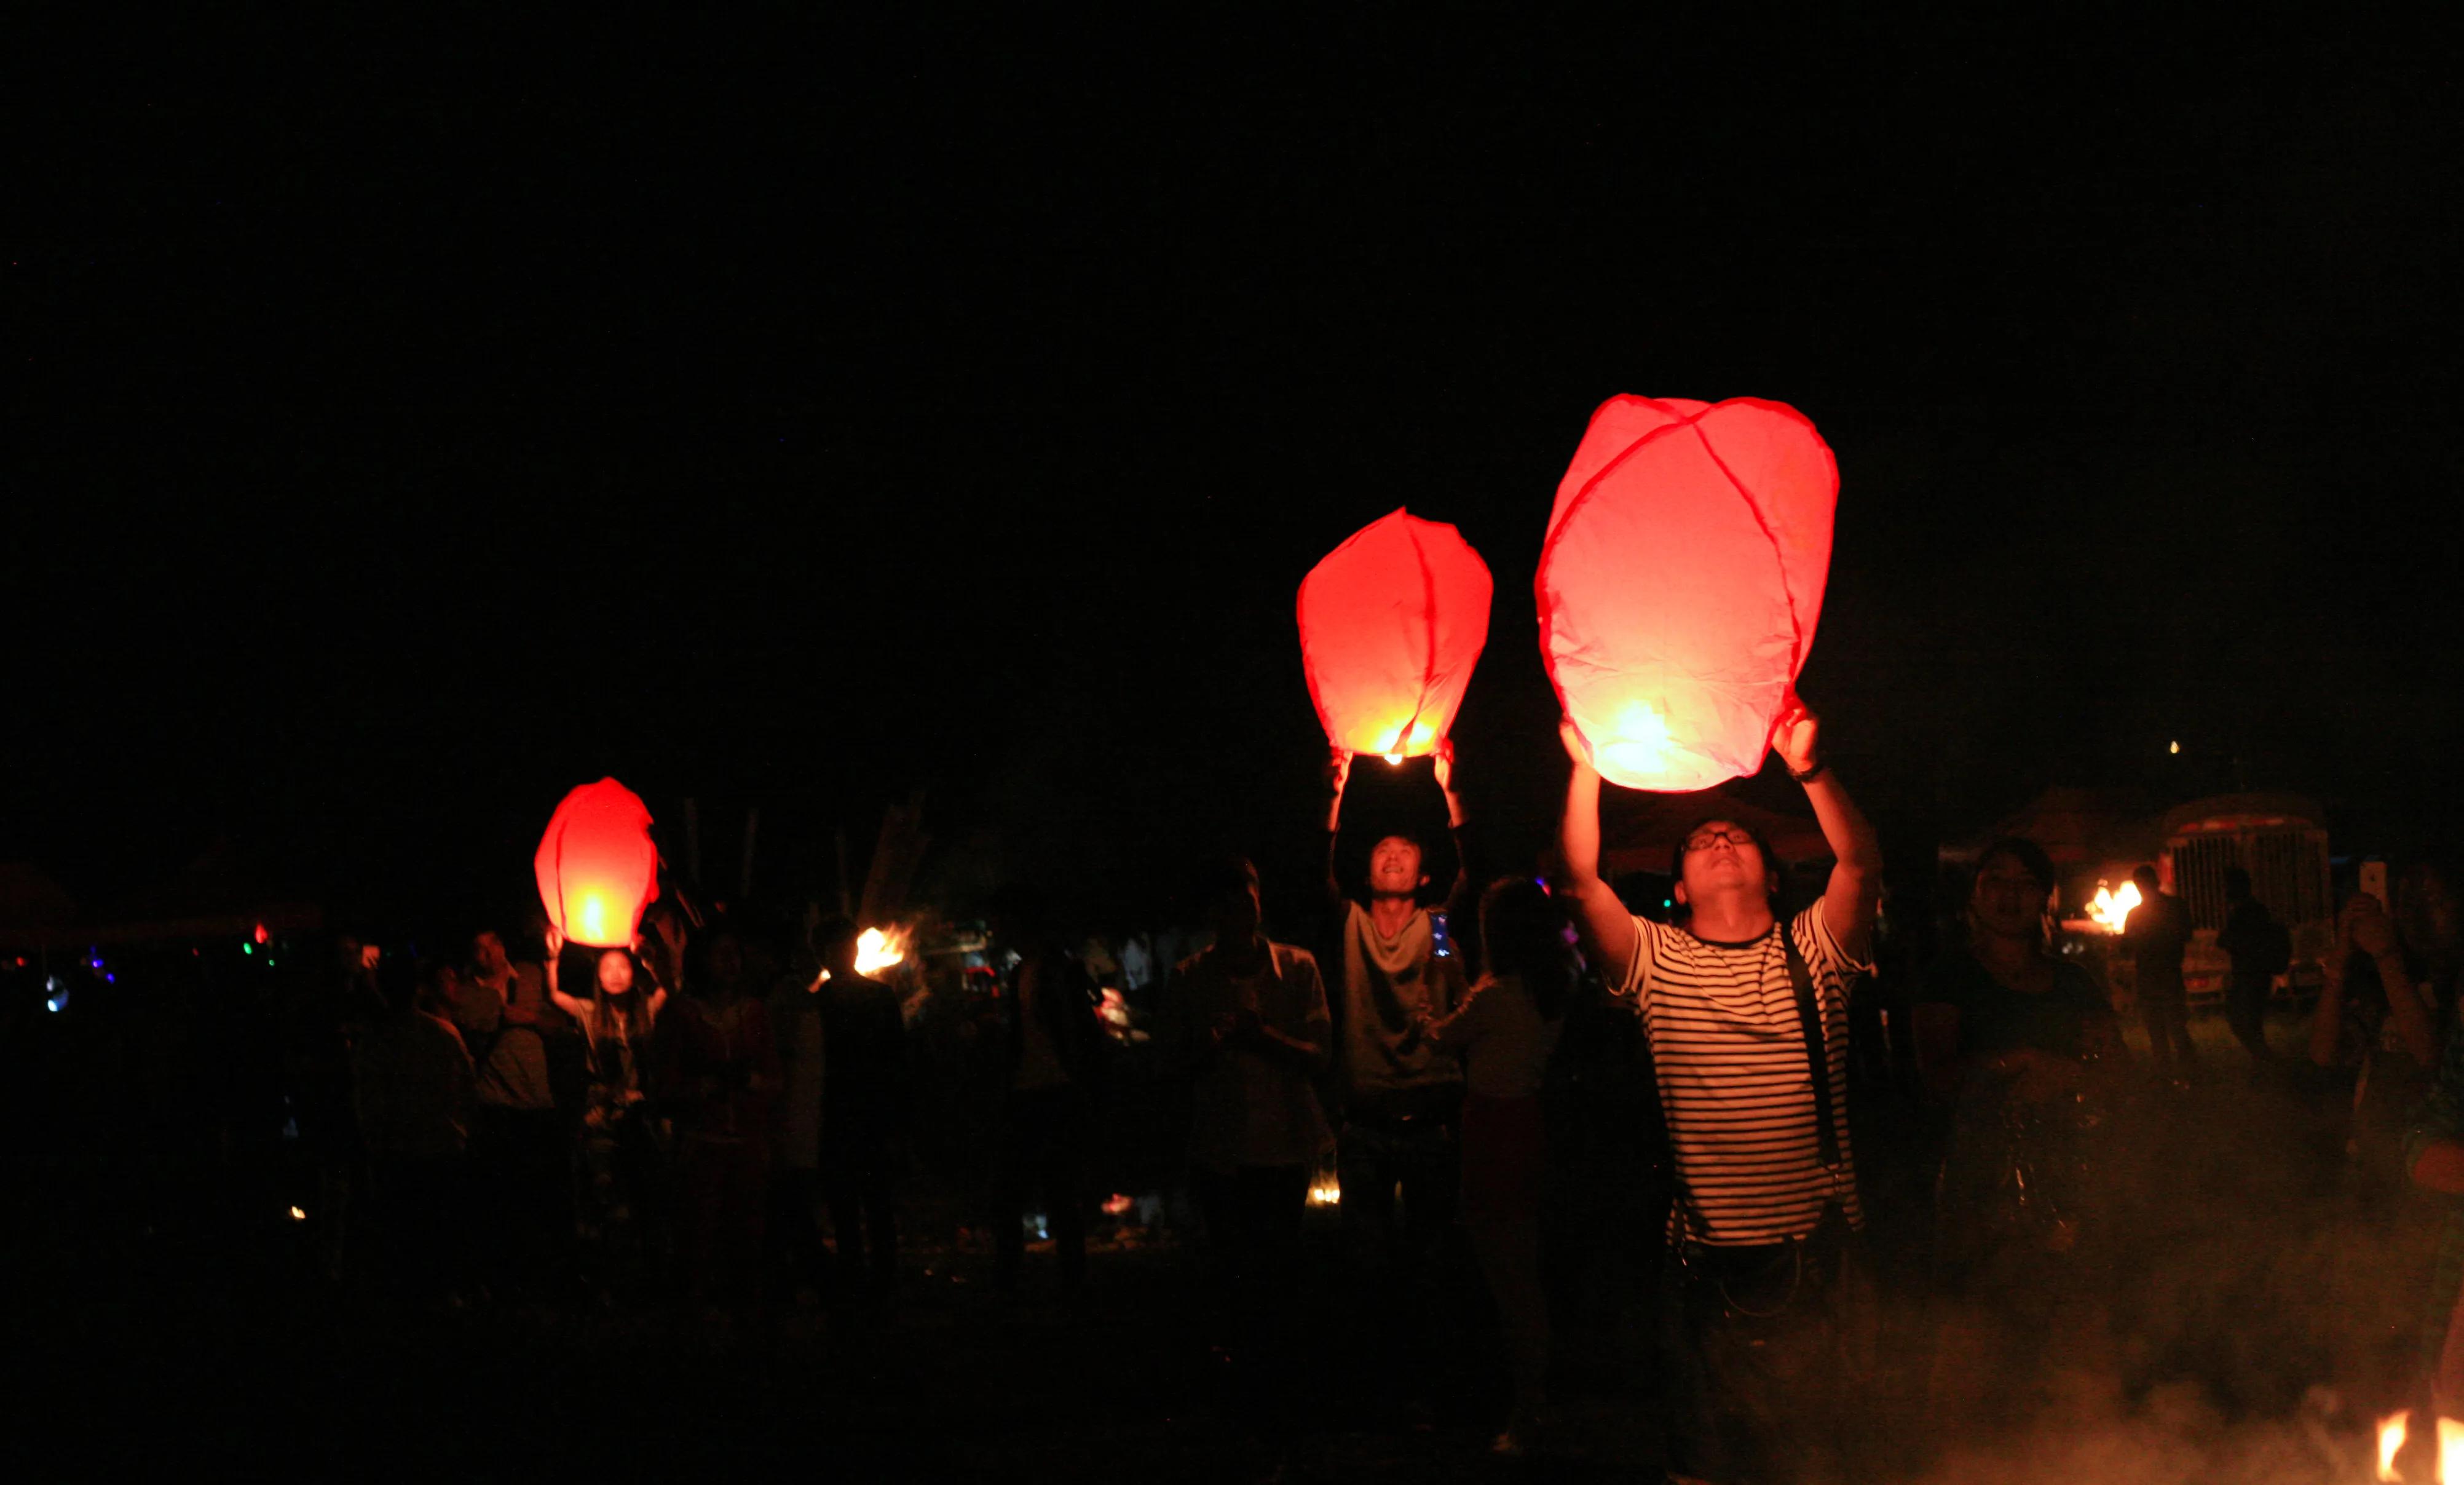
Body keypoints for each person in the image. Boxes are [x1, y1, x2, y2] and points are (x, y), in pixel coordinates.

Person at [1556, 695, 1882, 1485]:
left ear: (1772, 873)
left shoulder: (1816, 946)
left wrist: (1807, 765)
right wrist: (1587, 767)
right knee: (1704, 1462)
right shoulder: (1655, 959)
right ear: (1679, 884)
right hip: (1703, 1261)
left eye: (1736, 835)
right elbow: (1578, 879)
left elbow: (1861, 863)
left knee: (1820, 1458)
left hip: (1817, 1250)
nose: (1721, 839)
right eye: (1701, 841)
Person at [1911, 838, 2124, 1434]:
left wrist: (2068, 1074)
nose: (2010, 895)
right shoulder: (1950, 976)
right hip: (1981, 1188)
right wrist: (2015, 1063)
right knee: (1975, 1340)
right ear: (1975, 896)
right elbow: (1936, 1078)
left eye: (2024, 883)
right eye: (1995, 881)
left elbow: (2117, 1071)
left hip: (2069, 1181)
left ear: (2044, 897)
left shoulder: (2074, 982)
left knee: (2076, 1338)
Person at [1166, 856, 1333, 1454]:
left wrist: (1261, 1037)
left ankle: (1279, 1396)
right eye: (1230, 901)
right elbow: (1174, 1065)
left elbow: (1320, 1054)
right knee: (1235, 1273)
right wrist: (1213, 1045)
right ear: (1214, 913)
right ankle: (1246, 1397)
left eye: (1249, 897)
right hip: (1221, 1148)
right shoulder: (1190, 977)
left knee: (1280, 1270)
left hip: (1284, 1144)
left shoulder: (1297, 966)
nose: (1242, 909)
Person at [1322, 743, 1472, 1409]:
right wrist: (1336, 788)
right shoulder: (1351, 923)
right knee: (1367, 1263)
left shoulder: (1436, 928)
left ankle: (1433, 1383)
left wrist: (1449, 787)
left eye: (1405, 852)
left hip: (1429, 1120)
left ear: (1421, 874)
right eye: (1382, 850)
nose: (1391, 856)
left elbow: (1468, 881)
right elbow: (1316, 869)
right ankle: (1375, 1385)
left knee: (1433, 1260)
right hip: (1365, 1125)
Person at [1415, 876, 1569, 1456]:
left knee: (1510, 1283)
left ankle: (1528, 1411)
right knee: (1523, 1274)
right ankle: (1535, 1403)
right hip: (1525, 1124)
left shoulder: (1496, 995)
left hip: (1491, 1131)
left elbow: (1439, 1037)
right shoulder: (1544, 988)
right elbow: (1484, 1012)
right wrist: (1461, 979)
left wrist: (1433, 990)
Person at [987, 900, 1109, 1298]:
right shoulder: (1023, 970)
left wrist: (1081, 1085)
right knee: (1024, 1191)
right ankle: (1024, 1281)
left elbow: (1079, 1033)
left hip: (1056, 1090)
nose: (998, 933)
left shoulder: (1056, 969)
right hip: (1031, 1090)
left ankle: (1060, 1282)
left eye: (1003, 925)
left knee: (1055, 1191)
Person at [659, 925, 781, 1308]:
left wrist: (751, 1080)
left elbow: (776, 1077)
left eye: (735, 954)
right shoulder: (681, 1015)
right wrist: (706, 1087)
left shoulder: (755, 1012)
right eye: (720, 954)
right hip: (702, 1145)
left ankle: (748, 1324)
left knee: (748, 1238)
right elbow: (663, 1085)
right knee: (698, 1239)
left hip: (748, 1144)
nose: (730, 962)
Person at [352, 957, 478, 1302]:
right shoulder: (442, 1032)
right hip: (441, 1144)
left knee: (403, 1230)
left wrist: (373, 1143)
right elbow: (469, 1088)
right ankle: (445, 1294)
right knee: (441, 1227)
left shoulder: (374, 1040)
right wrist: (462, 1130)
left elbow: (366, 1099)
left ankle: (408, 1298)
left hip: (397, 1150)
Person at [452, 929, 569, 1300]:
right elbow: (474, 1023)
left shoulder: (530, 977)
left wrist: (527, 1017)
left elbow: (559, 1027)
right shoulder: (466, 989)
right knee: (498, 1197)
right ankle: (499, 1279)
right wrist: (504, 1014)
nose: (487, 952)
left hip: (536, 1102)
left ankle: (534, 1279)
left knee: (535, 1196)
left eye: (492, 944)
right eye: (479, 947)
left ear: (503, 946)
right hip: (495, 1104)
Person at [545, 930, 668, 1283]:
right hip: (603, 1112)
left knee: (646, 1188)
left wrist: (649, 960)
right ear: (597, 977)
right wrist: (554, 956)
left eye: (623, 967)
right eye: (607, 967)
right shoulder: (588, 1012)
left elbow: (668, 991)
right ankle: (607, 1274)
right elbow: (554, 995)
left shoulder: (646, 1009)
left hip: (644, 1111)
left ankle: (648, 1272)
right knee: (605, 1190)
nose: (615, 973)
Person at [813, 916, 909, 1294]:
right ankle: (873, 1279)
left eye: (846, 946)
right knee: (860, 1204)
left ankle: (869, 1280)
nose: (844, 954)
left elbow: (897, 1060)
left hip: (857, 1115)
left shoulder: (830, 1001)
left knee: (862, 1204)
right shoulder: (833, 1001)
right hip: (853, 1115)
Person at [2122, 864, 2194, 1081]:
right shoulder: (2176, 907)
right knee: (2176, 1026)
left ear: (2139, 887)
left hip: (2149, 976)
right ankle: (2190, 1073)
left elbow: (2125, 949)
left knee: (2157, 1030)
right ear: (2157, 882)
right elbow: (2187, 934)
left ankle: (2167, 1074)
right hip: (2170, 973)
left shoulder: (2135, 915)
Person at [2215, 868, 2291, 1063]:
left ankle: (2266, 1061)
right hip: (2254, 976)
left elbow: (2227, 941)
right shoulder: (2255, 911)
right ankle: (2263, 1060)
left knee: (2243, 1022)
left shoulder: (2246, 913)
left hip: (2251, 976)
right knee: (2249, 1023)